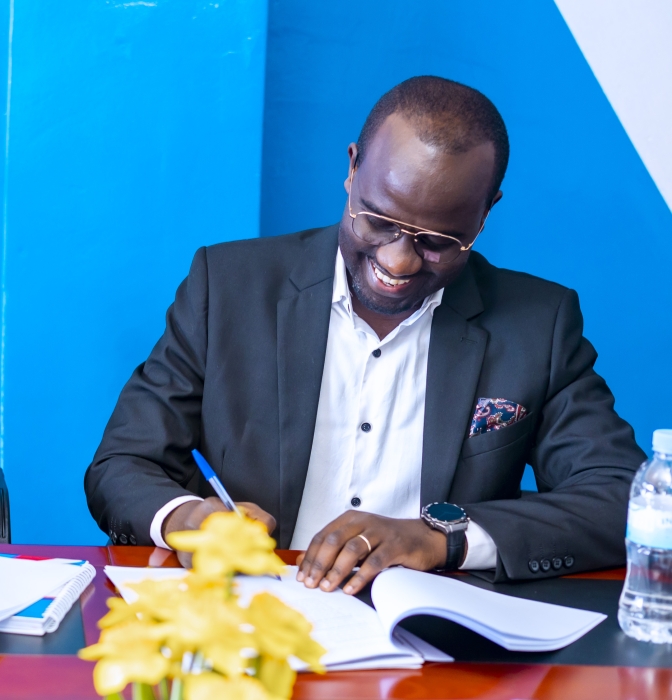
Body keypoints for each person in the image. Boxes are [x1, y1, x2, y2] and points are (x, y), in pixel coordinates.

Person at [84, 76, 645, 593]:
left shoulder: (537, 323)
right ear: (353, 169)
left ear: (484, 214)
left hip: (436, 637)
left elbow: (620, 495)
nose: (398, 262)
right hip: (249, 618)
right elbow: (122, 464)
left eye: (437, 241)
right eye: (378, 220)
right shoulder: (227, 287)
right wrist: (191, 517)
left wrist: (439, 537)